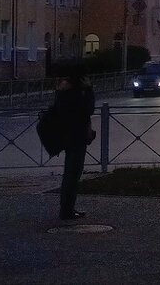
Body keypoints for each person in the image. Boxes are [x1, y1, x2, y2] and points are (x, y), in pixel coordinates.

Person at [53, 68, 95, 220]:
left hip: (67, 136)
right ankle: (67, 210)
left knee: (69, 173)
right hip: (77, 137)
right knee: (73, 173)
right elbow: (88, 109)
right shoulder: (77, 93)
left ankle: (66, 208)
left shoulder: (62, 92)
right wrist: (89, 90)